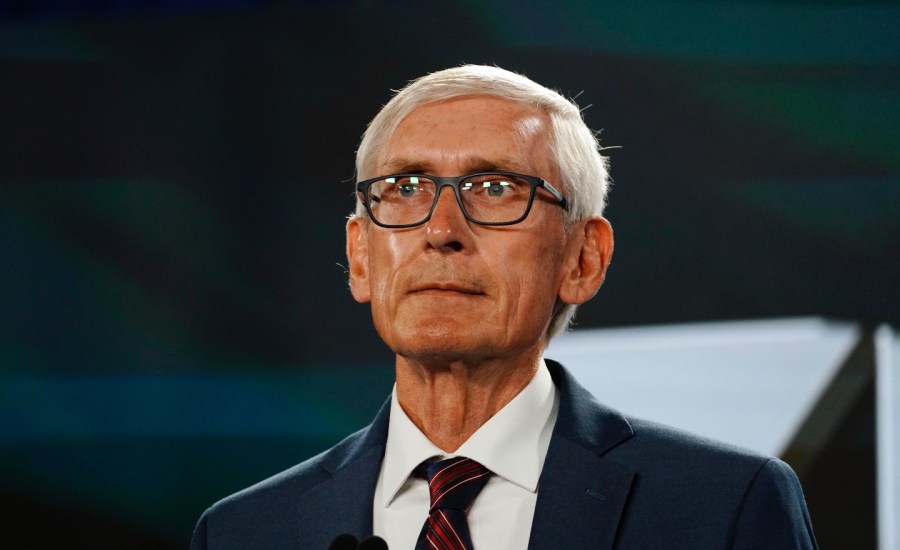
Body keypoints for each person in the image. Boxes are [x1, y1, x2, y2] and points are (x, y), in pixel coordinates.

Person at [190, 65, 817, 549]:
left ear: (583, 259)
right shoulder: (246, 531)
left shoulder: (721, 508)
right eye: (405, 188)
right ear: (360, 257)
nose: (441, 229)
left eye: (495, 189)